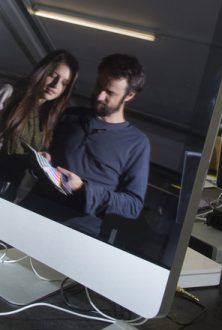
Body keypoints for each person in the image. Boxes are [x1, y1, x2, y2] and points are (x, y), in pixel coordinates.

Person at [48, 53, 150, 237]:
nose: (100, 95)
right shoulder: (70, 116)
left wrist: (83, 189)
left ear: (130, 95)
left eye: (110, 93)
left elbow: (133, 205)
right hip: (34, 210)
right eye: (99, 86)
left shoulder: (137, 144)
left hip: (78, 233)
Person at [0, 50, 79, 183]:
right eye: (52, 75)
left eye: (64, 83)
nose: (55, 85)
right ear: (42, 72)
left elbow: (24, 159)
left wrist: (40, 159)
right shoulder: (8, 93)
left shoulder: (46, 119)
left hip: (1, 188)